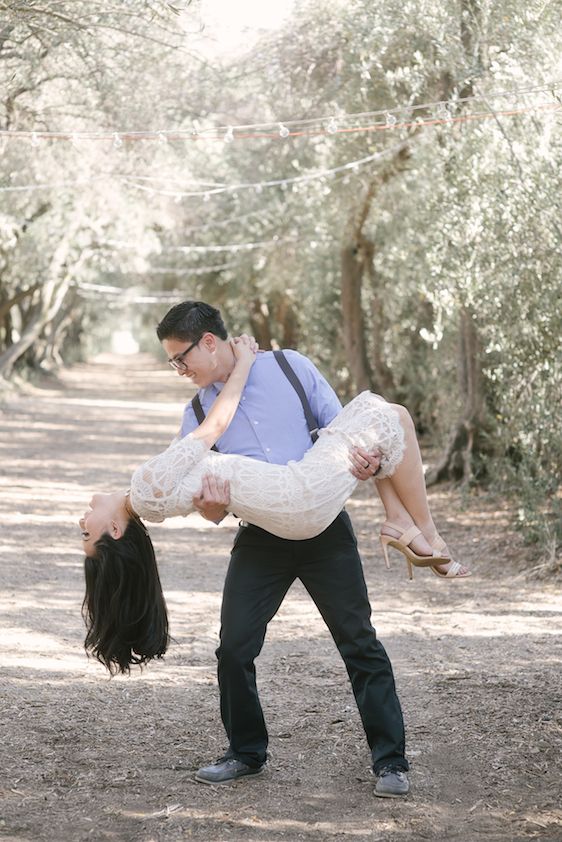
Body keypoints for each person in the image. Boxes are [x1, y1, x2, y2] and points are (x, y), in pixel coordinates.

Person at [81, 303, 469, 798]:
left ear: (209, 342)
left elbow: (342, 429)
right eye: (173, 364)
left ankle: (390, 761)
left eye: (181, 359)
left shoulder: (290, 366)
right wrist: (212, 508)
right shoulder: (196, 412)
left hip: (324, 527)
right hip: (261, 535)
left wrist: (369, 464)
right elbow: (206, 507)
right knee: (234, 648)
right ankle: (245, 752)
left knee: (359, 641)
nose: (181, 371)